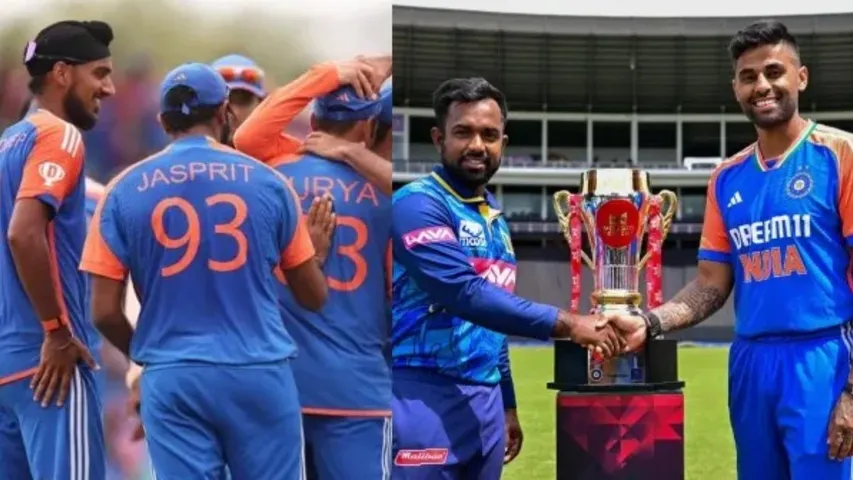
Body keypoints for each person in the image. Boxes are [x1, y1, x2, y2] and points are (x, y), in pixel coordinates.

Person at [601, 20, 853, 480]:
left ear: (801, 77)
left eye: (774, 72)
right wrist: (650, 322)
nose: (762, 86)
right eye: (748, 77)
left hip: (821, 357)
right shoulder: (726, 178)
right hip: (750, 362)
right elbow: (711, 285)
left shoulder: (840, 155)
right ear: (736, 88)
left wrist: (852, 392)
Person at [79, 62, 329, 479]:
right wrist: (315, 258)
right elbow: (312, 297)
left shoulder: (122, 189)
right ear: (224, 113)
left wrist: (149, 356)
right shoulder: (270, 184)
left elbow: (103, 312)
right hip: (259, 372)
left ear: (163, 122)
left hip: (173, 377)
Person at [389, 77, 622, 479]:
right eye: (463, 132)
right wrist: (570, 324)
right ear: (438, 138)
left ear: (503, 143)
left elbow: (492, 326)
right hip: (421, 394)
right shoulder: (416, 204)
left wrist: (507, 403)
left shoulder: (493, 219)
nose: (477, 145)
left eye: (489, 134)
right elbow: (464, 293)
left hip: (485, 405)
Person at [0, 20, 116, 480]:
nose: (108, 88)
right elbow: (22, 233)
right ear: (63, 73)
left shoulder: (6, 144)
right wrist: (57, 332)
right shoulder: (59, 136)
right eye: (99, 73)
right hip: (50, 368)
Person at [266, 87, 391, 479]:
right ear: (368, 128)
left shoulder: (269, 179)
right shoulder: (390, 195)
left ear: (314, 123)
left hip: (278, 385)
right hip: (359, 389)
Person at [233, 54, 392, 194]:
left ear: (313, 122)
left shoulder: (280, 165)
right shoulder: (382, 182)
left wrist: (327, 74)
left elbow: (247, 139)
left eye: (242, 100)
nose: (233, 110)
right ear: (368, 127)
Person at [210, 54, 267, 147]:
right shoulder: (188, 153)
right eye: (223, 101)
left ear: (261, 105)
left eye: (244, 100)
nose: (234, 112)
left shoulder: (281, 153)